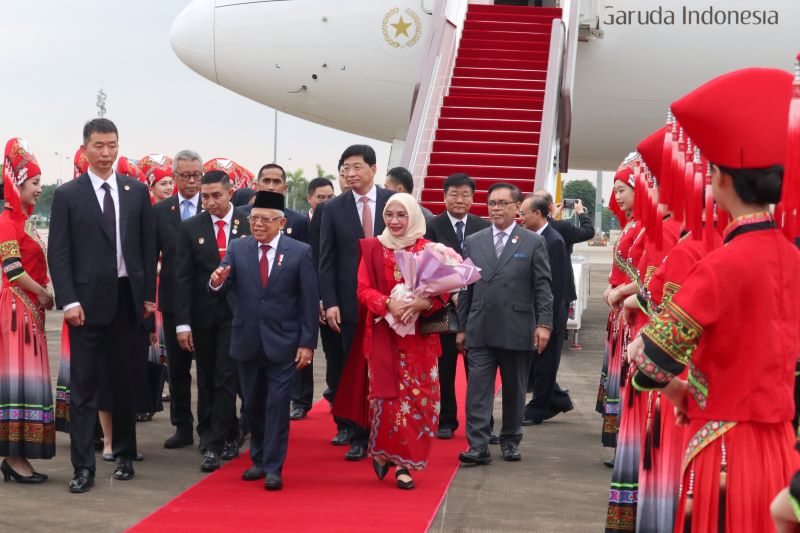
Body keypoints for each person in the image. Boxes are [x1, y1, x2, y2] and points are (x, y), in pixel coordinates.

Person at [629, 67, 800, 532]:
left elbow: (648, 365)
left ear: (720, 180)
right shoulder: (793, 257)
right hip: (785, 446)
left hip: (724, 446)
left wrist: (680, 390)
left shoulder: (723, 265)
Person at [48, 118, 157, 492]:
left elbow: (147, 246)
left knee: (126, 383)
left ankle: (125, 455)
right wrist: (70, 300)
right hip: (86, 307)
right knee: (84, 389)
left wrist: (148, 297)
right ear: (85, 149)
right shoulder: (68, 195)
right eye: (99, 145)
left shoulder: (136, 191)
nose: (106, 152)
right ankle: (84, 467)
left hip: (129, 303)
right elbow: (59, 253)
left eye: (112, 145)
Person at [209, 191, 318, 491]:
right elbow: (222, 282)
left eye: (265, 220)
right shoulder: (238, 247)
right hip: (247, 339)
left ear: (281, 222)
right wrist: (216, 281)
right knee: (253, 404)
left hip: (284, 343)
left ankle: (273, 466)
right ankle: (257, 459)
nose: (257, 225)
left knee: (277, 405)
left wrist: (307, 343)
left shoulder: (299, 252)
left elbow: (308, 302)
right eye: (253, 219)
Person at [456, 182, 553, 465]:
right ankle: (477, 444)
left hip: (517, 326)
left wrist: (544, 323)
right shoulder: (475, 240)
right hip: (481, 326)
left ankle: (510, 439)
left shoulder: (533, 241)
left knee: (514, 388)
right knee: (477, 390)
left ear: (516, 208)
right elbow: (466, 287)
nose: (495, 208)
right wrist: (461, 327)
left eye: (501, 203)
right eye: (491, 204)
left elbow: (543, 287)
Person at [357, 193, 446, 490]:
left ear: (413, 217)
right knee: (389, 400)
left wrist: (424, 304)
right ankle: (399, 464)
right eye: (389, 215)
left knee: (423, 403)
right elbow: (362, 290)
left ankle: (398, 458)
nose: (394, 221)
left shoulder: (428, 249)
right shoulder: (373, 248)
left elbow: (443, 293)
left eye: (401, 215)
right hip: (384, 337)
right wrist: (387, 304)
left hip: (419, 342)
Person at [319, 144, 395, 460]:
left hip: (391, 302)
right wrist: (330, 301)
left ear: (373, 169)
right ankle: (359, 433)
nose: (350, 173)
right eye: (345, 168)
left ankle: (388, 431)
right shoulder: (333, 208)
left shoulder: (394, 203)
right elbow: (326, 258)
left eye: (357, 166)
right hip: (350, 304)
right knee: (356, 368)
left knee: (386, 368)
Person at [174, 170, 250, 472]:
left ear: (230, 193)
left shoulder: (248, 224)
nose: (210, 202)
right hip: (203, 315)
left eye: (216, 195)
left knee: (226, 376)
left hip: (237, 314)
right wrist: (182, 324)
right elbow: (181, 278)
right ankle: (222, 433)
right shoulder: (191, 227)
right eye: (205, 196)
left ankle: (215, 443)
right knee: (206, 377)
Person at [0, 138, 55, 483]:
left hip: (28, 309)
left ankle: (17, 456)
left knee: (23, 381)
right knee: (16, 382)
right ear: (18, 183)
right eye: (35, 183)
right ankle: (13, 456)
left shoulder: (25, 221)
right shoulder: (8, 221)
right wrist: (44, 293)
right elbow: (12, 270)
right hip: (16, 310)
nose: (39, 189)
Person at [240, 163, 311, 420]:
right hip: (248, 324)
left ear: (285, 186)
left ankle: (300, 400)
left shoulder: (299, 221)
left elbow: (306, 280)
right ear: (257, 184)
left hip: (284, 324)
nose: (271, 186)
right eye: (266, 181)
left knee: (278, 398)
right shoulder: (242, 216)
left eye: (276, 181)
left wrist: (306, 337)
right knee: (252, 397)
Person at [423, 173, 489, 439]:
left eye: (465, 195)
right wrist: (452, 292)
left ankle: (481, 423)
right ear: (444, 196)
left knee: (479, 370)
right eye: (454, 194)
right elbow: (426, 264)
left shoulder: (483, 226)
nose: (459, 200)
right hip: (443, 309)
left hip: (476, 309)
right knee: (445, 367)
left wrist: (469, 294)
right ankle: (446, 420)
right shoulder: (431, 225)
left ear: (473, 199)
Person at [152, 150, 204, 449]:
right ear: (174, 178)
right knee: (178, 369)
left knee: (209, 369)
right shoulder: (161, 212)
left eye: (196, 175)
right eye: (185, 176)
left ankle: (211, 424)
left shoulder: (212, 207)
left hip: (207, 301)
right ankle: (182, 426)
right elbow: (150, 258)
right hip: (172, 301)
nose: (192, 181)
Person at [519, 194, 570, 425]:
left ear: (538, 214)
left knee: (545, 364)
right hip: (534, 311)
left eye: (523, 214)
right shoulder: (532, 237)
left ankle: (539, 408)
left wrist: (546, 320)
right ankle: (558, 400)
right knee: (535, 363)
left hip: (549, 313)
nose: (520, 218)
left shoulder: (554, 240)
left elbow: (556, 285)